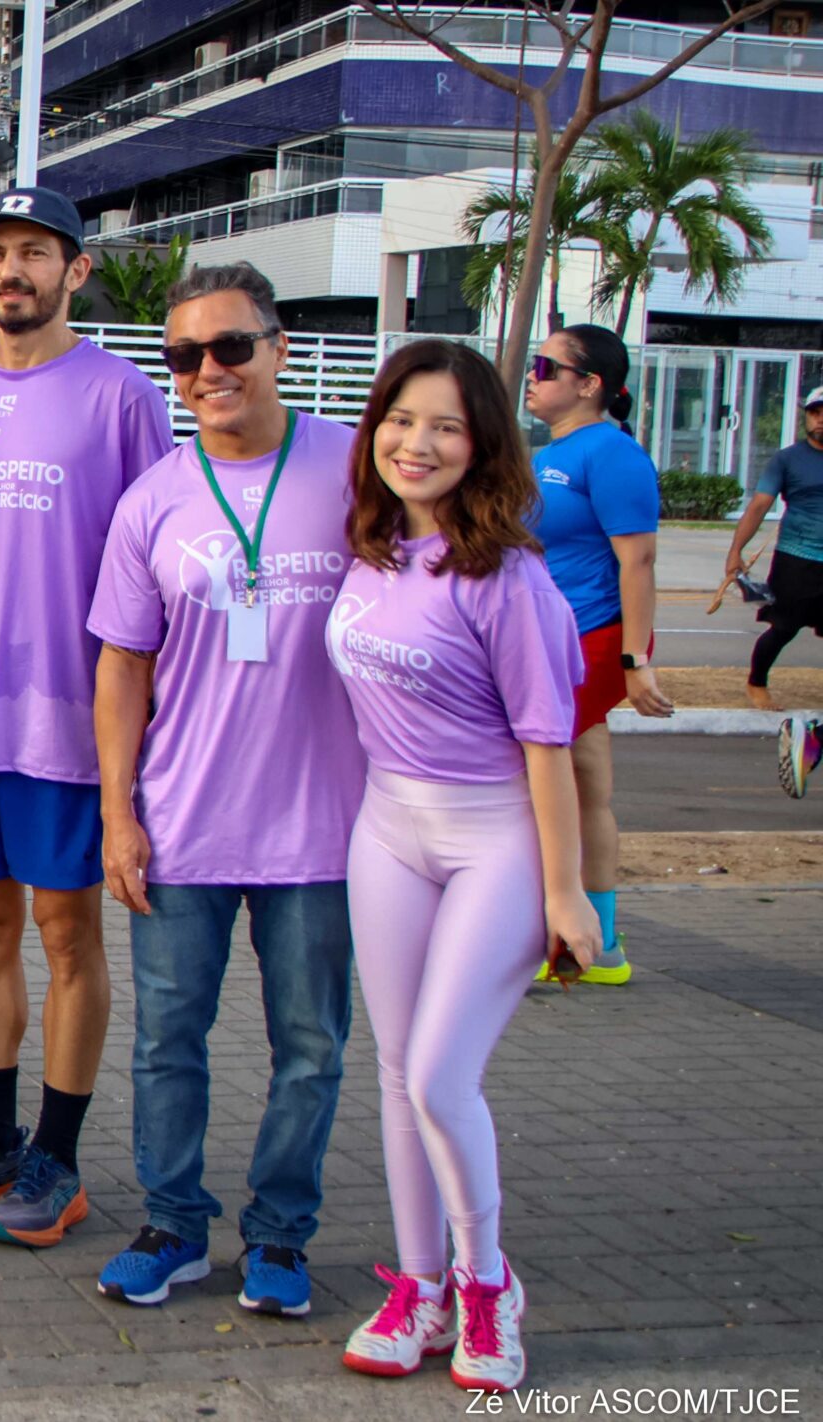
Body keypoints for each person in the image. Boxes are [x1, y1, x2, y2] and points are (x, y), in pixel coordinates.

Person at [0, 187, 174, 1246]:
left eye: (33, 253)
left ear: (76, 271)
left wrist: (140, 735)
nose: (12, 270)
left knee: (66, 930)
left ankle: (57, 1157)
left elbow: (159, 566)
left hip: (70, 716)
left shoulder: (119, 397)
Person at [87, 263, 364, 1317]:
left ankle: (281, 1237)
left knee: (309, 1046)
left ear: (279, 348)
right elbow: (120, 665)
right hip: (182, 825)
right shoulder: (153, 496)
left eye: (230, 348)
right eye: (185, 358)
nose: (208, 372)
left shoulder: (356, 471)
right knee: (166, 1042)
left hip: (327, 829)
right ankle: (171, 1226)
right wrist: (118, 813)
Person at [332, 340, 596, 1391]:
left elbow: (549, 747)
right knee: (396, 1076)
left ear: (483, 442)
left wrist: (565, 892)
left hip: (494, 841)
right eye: (401, 419)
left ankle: (488, 1288)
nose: (418, 442)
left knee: (442, 1076)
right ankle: (419, 1286)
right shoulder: (368, 548)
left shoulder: (506, 577)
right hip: (386, 832)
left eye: (445, 425)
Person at [525, 324, 670, 985]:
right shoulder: (550, 450)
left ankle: (553, 941)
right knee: (585, 783)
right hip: (547, 640)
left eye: (545, 367)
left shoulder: (611, 455)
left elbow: (637, 561)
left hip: (589, 640)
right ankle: (599, 947)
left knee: (533, 782)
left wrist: (636, 661)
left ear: (589, 386)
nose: (533, 375)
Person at [729, 386, 823, 712]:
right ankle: (757, 683)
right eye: (815, 412)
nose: (821, 420)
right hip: (796, 559)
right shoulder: (787, 459)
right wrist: (735, 551)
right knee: (783, 627)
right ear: (806, 416)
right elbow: (758, 507)